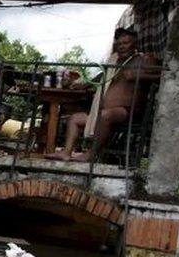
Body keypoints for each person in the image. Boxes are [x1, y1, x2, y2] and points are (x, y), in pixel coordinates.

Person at [46, 28, 159, 162]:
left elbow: (164, 75)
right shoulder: (114, 63)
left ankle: (90, 155)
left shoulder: (144, 60)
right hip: (102, 112)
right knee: (75, 119)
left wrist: (139, 75)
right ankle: (66, 152)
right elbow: (100, 78)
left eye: (126, 43)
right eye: (119, 43)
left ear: (135, 44)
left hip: (128, 111)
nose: (122, 47)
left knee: (105, 115)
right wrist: (83, 83)